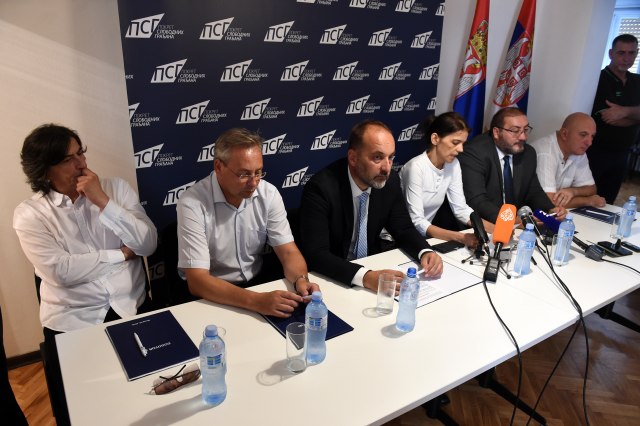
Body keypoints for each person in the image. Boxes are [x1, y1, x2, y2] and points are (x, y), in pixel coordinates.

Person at [13, 124, 158, 425]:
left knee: (148, 396)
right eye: (68, 159)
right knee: (89, 410)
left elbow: (147, 244)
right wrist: (121, 254)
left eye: (81, 153)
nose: (82, 164)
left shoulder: (115, 189)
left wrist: (103, 201)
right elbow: (61, 272)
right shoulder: (30, 214)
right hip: (73, 321)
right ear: (44, 171)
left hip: (130, 307)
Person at [177, 128, 318, 318]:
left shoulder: (269, 194)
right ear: (218, 167)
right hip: (213, 294)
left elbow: (288, 252)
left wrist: (301, 280)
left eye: (258, 172)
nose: (254, 183)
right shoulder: (192, 203)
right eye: (244, 174)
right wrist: (256, 301)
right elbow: (197, 281)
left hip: (257, 285)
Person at [298, 120, 443, 292]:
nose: (386, 168)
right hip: (333, 278)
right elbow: (316, 254)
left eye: (391, 157)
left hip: (372, 266)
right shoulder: (321, 188)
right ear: (353, 158)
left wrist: (425, 251)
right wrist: (365, 277)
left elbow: (403, 228)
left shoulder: (390, 181)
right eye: (377, 157)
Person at [400, 112, 494, 248]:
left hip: (422, 237)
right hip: (396, 239)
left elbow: (461, 209)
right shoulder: (416, 167)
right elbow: (417, 221)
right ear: (435, 139)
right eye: (455, 142)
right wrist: (461, 237)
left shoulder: (453, 164)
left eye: (463, 143)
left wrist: (497, 230)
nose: (461, 149)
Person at [458, 107, 567, 223]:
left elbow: (533, 192)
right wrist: (513, 221)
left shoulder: (527, 153)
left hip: (514, 225)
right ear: (496, 132)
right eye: (515, 131)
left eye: (525, 130)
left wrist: (551, 210)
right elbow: (477, 200)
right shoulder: (474, 153)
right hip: (481, 224)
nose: (523, 137)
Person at [588, 34, 640, 204]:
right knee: (590, 199)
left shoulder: (637, 81)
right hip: (597, 152)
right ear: (611, 53)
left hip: (623, 152)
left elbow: (618, 116)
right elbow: (610, 118)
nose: (627, 58)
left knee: (608, 201)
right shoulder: (598, 79)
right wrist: (635, 116)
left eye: (631, 53)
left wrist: (624, 111)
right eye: (621, 53)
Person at [529, 112, 606, 208]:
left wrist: (573, 191)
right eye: (583, 135)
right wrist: (588, 201)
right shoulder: (545, 152)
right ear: (564, 134)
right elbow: (548, 202)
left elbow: (592, 188)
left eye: (592, 136)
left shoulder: (578, 150)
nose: (589, 143)